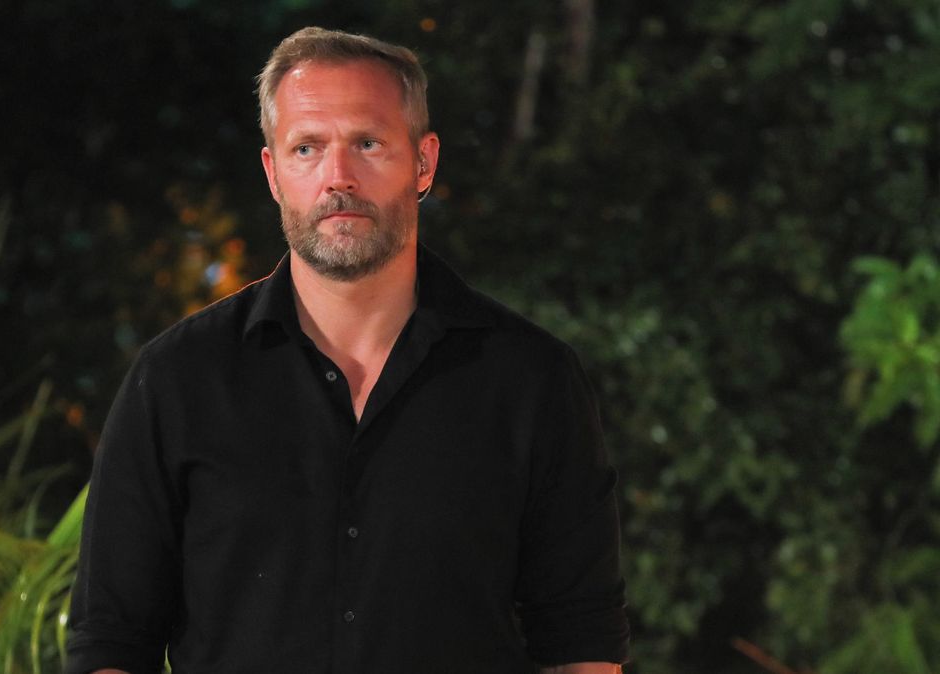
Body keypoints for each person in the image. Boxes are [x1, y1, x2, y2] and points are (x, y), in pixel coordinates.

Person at [66, 27, 629, 674]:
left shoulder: (532, 380)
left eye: (368, 143)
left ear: (423, 162)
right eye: (307, 148)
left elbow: (580, 638)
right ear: (273, 173)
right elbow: (111, 641)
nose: (339, 178)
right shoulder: (176, 381)